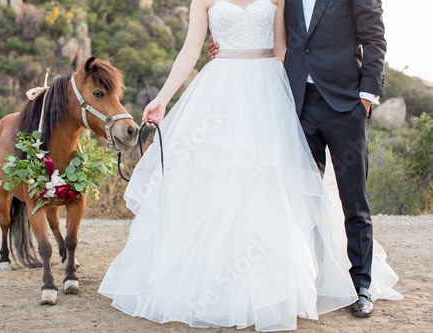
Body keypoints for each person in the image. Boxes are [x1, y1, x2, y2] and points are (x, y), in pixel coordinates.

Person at [99, 0, 394, 331]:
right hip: (228, 93)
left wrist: (362, 95)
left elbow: (285, 47)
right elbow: (189, 51)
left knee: (309, 192)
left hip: (275, 92)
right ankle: (234, 282)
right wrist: (163, 98)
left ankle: (345, 283)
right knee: (231, 188)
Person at [207, 0, 401, 318]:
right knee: (303, 198)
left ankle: (362, 286)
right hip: (298, 104)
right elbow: (272, 38)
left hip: (346, 105)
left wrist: (366, 97)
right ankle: (314, 281)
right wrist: (224, 49)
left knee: (354, 200)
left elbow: (374, 37)